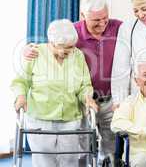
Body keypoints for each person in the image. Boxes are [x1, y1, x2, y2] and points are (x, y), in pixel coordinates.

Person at [23, 0, 146, 163]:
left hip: (110, 101)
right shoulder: (72, 32)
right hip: (81, 101)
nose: (102, 23)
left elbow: (145, 27)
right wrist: (28, 49)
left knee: (111, 147)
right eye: (96, 20)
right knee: (81, 148)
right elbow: (51, 45)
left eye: (105, 18)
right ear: (83, 16)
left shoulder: (119, 28)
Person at [11, 19, 99, 167]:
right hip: (41, 119)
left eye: (71, 47)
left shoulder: (77, 55)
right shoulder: (35, 53)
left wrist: (87, 98)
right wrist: (21, 96)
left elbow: (84, 85)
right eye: (62, 47)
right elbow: (21, 81)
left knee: (70, 161)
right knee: (44, 162)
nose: (67, 51)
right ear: (51, 42)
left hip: (71, 119)